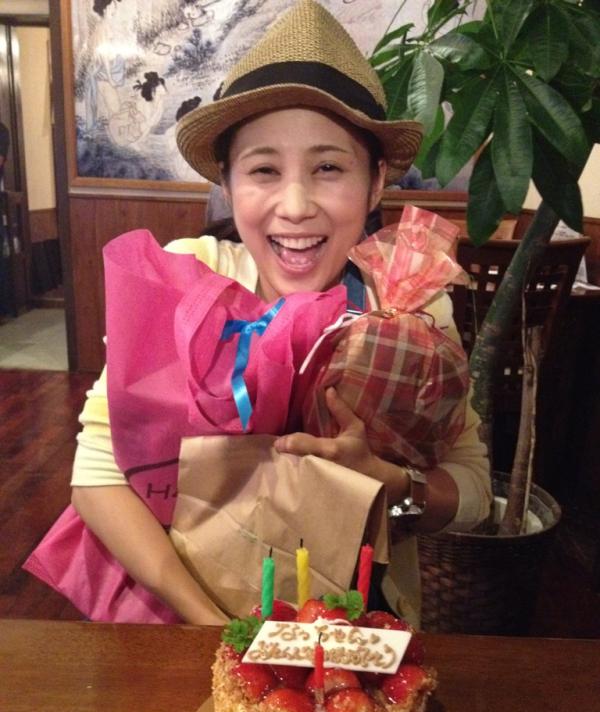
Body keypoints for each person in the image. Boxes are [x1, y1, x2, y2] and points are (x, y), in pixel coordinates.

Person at [25, 0, 491, 626]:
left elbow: (474, 493)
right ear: (227, 183)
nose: (295, 206)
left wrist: (391, 480)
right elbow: (97, 475)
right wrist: (212, 625)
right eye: (264, 169)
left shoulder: (407, 307)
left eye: (329, 168)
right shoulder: (188, 284)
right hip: (185, 618)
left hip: (355, 626)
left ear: (376, 182)